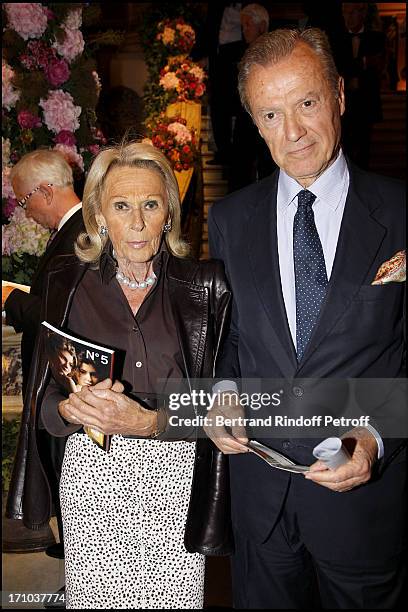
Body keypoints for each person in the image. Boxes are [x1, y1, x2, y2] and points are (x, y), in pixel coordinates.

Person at [207, 28, 406, 609]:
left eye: (307, 104)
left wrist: (374, 435)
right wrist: (221, 392)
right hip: (261, 502)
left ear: (340, 95)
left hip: (363, 508)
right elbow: (228, 341)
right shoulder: (229, 219)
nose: (292, 133)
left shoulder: (399, 212)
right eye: (270, 114)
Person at [6, 141, 233, 609]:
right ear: (99, 215)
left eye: (150, 205)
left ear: (168, 212)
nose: (136, 222)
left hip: (175, 477)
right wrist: (68, 409)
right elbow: (44, 398)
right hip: (93, 476)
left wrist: (149, 421)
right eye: (121, 205)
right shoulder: (68, 283)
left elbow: (224, 399)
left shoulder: (204, 287)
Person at [4, 149, 84, 560]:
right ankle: (73, 548)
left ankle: (79, 559)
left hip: (68, 377)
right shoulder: (74, 232)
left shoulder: (80, 236)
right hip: (63, 375)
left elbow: (60, 315)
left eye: (24, 200)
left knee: (66, 462)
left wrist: (10, 300)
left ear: (47, 190)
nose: (24, 211)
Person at [229, 3, 275, 190]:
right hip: (244, 121)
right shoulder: (239, 52)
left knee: (269, 169)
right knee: (240, 170)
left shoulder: (276, 51)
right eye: (243, 26)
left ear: (262, 26)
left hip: (269, 119)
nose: (244, 30)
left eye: (248, 25)